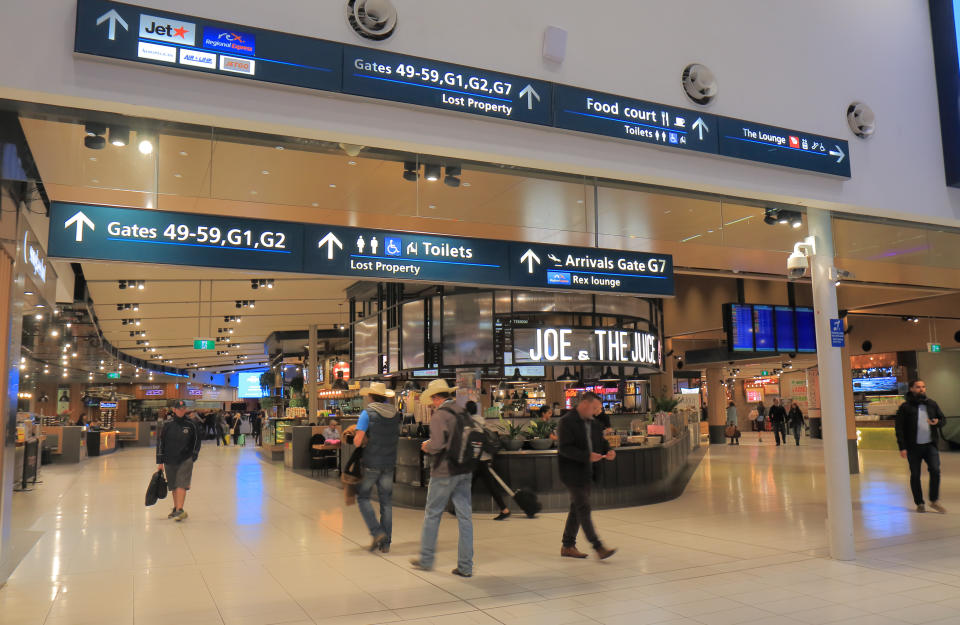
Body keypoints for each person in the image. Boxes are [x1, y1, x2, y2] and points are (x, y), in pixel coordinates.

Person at [411, 379, 474, 577]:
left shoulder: (440, 415)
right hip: (465, 469)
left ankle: (426, 559)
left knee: (433, 514)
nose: (431, 404)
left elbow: (437, 445)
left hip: (445, 471)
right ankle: (465, 566)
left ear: (437, 397)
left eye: (431, 400)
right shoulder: (462, 411)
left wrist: (426, 446)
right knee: (465, 517)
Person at [557, 391, 616, 560]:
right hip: (571, 473)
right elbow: (565, 448)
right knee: (583, 507)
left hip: (588, 472)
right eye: (595, 408)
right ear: (585, 404)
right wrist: (587, 456)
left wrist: (610, 451)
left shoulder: (595, 424)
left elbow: (602, 443)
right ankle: (598, 547)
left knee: (576, 508)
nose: (597, 412)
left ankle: (567, 545)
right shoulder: (566, 422)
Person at [354, 383, 401, 553]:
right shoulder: (396, 414)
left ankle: (377, 532)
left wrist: (357, 436)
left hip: (372, 463)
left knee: (363, 497)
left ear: (371, 396)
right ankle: (386, 543)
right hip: (389, 463)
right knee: (386, 503)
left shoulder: (367, 413)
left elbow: (358, 441)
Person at [895, 380, 947, 514]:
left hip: (930, 446)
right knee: (915, 475)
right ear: (911, 389)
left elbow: (943, 419)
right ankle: (919, 503)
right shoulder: (905, 407)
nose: (921, 389)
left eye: (923, 387)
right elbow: (899, 428)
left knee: (935, 470)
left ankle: (934, 500)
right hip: (913, 447)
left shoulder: (931, 404)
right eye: (918, 387)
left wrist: (937, 422)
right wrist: (902, 447)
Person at [156, 400, 202, 522]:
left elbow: (197, 441)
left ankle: (180, 509)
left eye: (183, 408)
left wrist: (194, 456)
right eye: (179, 409)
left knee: (182, 483)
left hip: (185, 459)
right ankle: (176, 508)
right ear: (174, 410)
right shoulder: (167, 424)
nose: (182, 411)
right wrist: (159, 462)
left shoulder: (191, 424)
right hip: (169, 459)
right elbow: (161, 443)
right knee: (173, 485)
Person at [468, 400, 511, 521]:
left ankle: (504, 509)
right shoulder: (481, 420)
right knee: (472, 484)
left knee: (474, 485)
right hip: (485, 457)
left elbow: (473, 441)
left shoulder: (471, 423)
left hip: (479, 459)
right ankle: (459, 509)